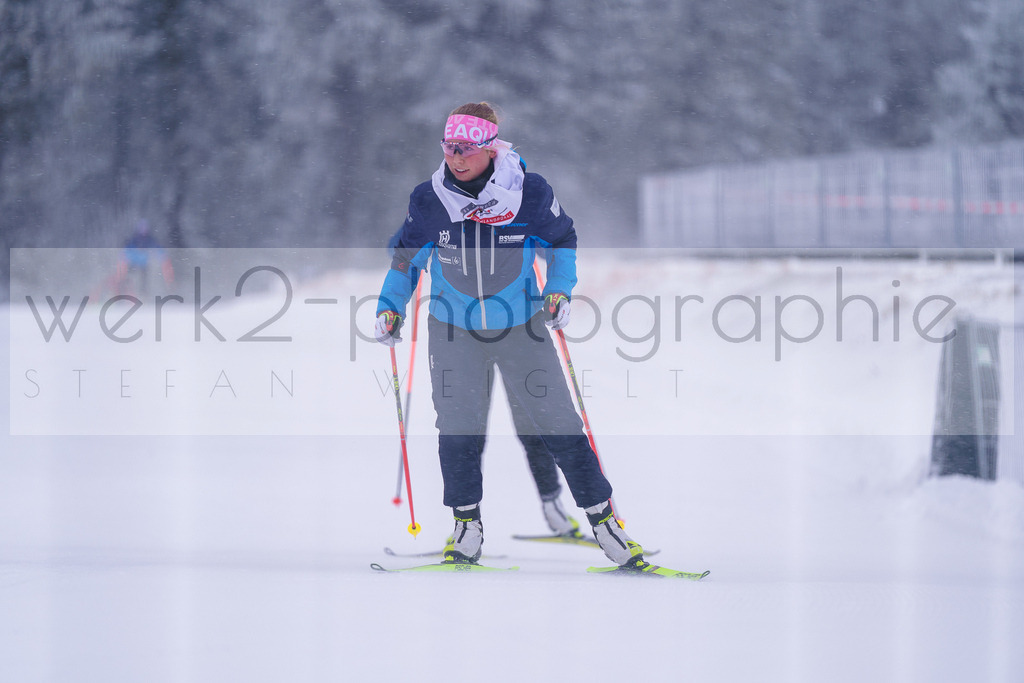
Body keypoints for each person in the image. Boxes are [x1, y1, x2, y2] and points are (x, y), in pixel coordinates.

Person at [374, 102, 646, 567]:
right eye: (448, 148)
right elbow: (405, 257)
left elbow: (562, 242)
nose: (455, 158)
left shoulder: (528, 193)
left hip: (521, 327)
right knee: (458, 428)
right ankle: (466, 528)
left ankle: (606, 524)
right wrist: (390, 307)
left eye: (464, 148)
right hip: (452, 329)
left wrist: (559, 292)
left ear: (489, 148)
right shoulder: (430, 198)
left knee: (559, 424)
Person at [386, 230, 584, 539]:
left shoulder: (513, 206)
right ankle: (467, 524)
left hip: (519, 330)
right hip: (462, 336)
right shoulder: (441, 208)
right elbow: (402, 250)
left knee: (534, 426)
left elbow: (554, 244)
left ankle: (553, 506)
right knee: (470, 429)